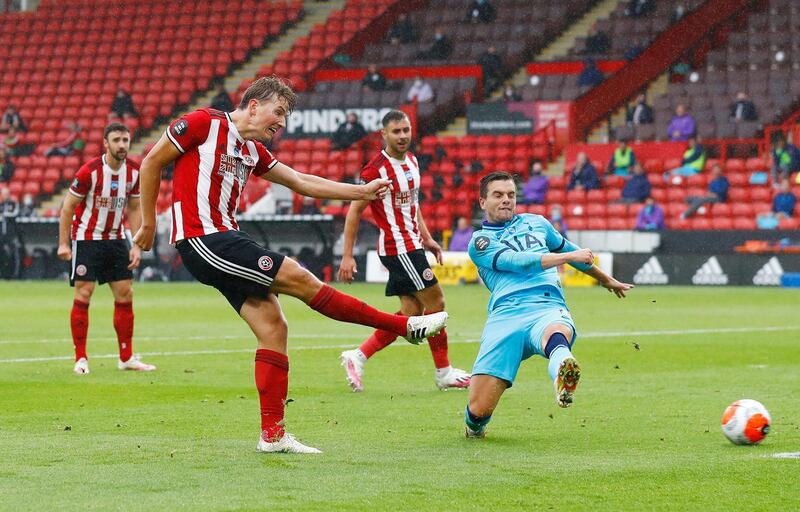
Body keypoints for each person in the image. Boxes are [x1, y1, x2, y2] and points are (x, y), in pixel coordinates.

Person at [132, 77, 448, 454]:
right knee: (299, 277)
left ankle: (273, 436)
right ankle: (403, 325)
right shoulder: (203, 123)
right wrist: (148, 223)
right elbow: (152, 161)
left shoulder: (252, 150)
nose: (280, 123)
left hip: (224, 239)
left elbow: (300, 181)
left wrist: (359, 191)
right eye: (278, 112)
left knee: (274, 327)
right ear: (253, 106)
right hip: (205, 239)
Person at [463, 171, 632, 438]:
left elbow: (577, 257)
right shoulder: (480, 242)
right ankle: (474, 427)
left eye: (511, 195)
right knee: (478, 410)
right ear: (483, 202)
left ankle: (563, 373)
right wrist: (565, 256)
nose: (506, 200)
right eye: (498, 195)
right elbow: (518, 261)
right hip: (506, 315)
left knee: (556, 335)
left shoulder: (537, 223)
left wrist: (606, 280)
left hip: (546, 304)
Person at [337, 110, 470, 392]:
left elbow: (413, 206)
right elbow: (355, 211)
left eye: (406, 130)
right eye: (396, 131)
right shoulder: (375, 171)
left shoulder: (411, 161)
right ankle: (443, 372)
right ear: (383, 134)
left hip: (412, 244)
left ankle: (357, 356)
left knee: (411, 312)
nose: (403, 136)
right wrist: (347, 255)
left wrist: (428, 238)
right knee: (437, 304)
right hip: (399, 248)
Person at [56, 123, 154, 375]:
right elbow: (67, 207)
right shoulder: (89, 172)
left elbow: (133, 209)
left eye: (125, 139)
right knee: (84, 293)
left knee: (125, 293)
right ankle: (80, 358)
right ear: (106, 143)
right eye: (116, 140)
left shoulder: (133, 173)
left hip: (115, 239)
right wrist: (64, 243)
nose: (122, 144)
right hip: (87, 239)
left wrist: (136, 245)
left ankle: (126, 357)